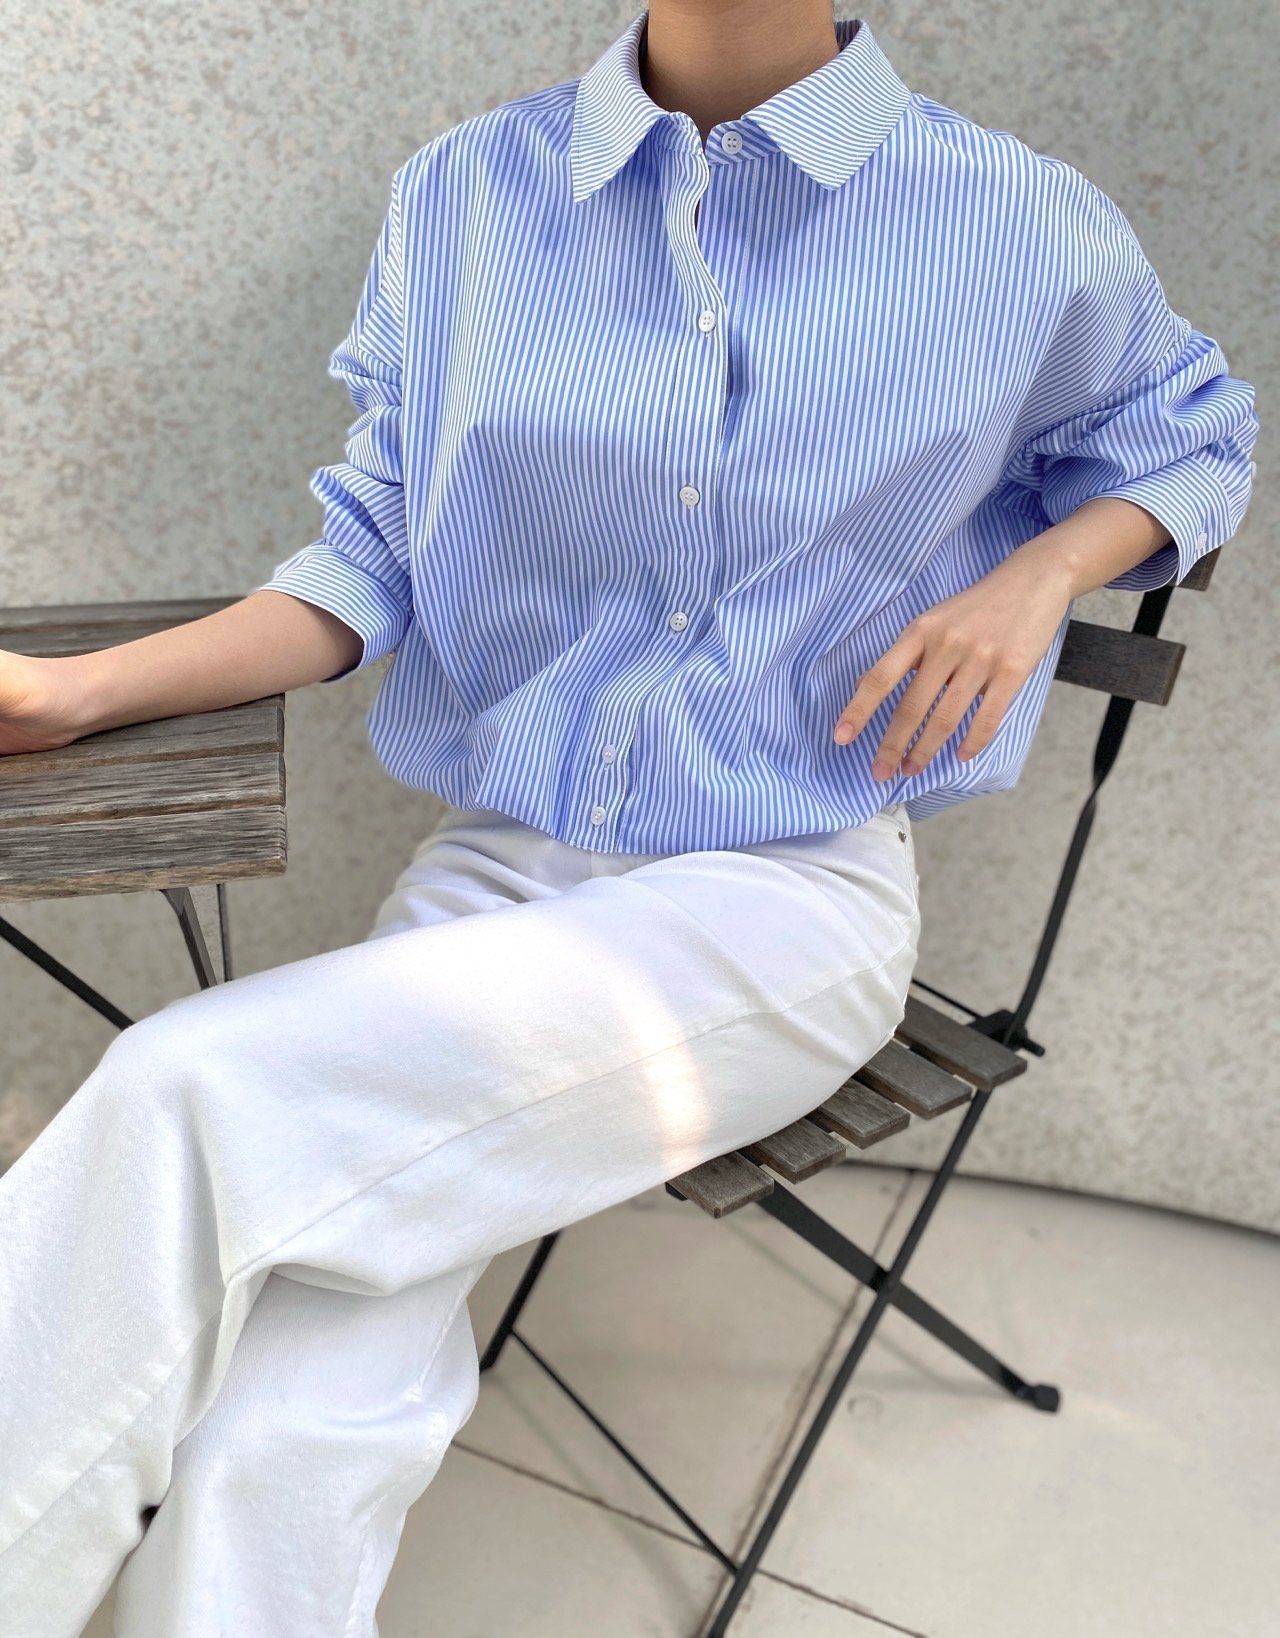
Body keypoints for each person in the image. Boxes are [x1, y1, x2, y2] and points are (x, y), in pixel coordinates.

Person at [0, 4, 1257, 1634]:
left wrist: (1042, 575)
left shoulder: (1013, 218)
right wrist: (75, 694)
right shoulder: (468, 194)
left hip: (783, 897)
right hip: (499, 866)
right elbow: (373, 553)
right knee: (282, 1410)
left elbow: (1197, 432)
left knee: (183, 1086)